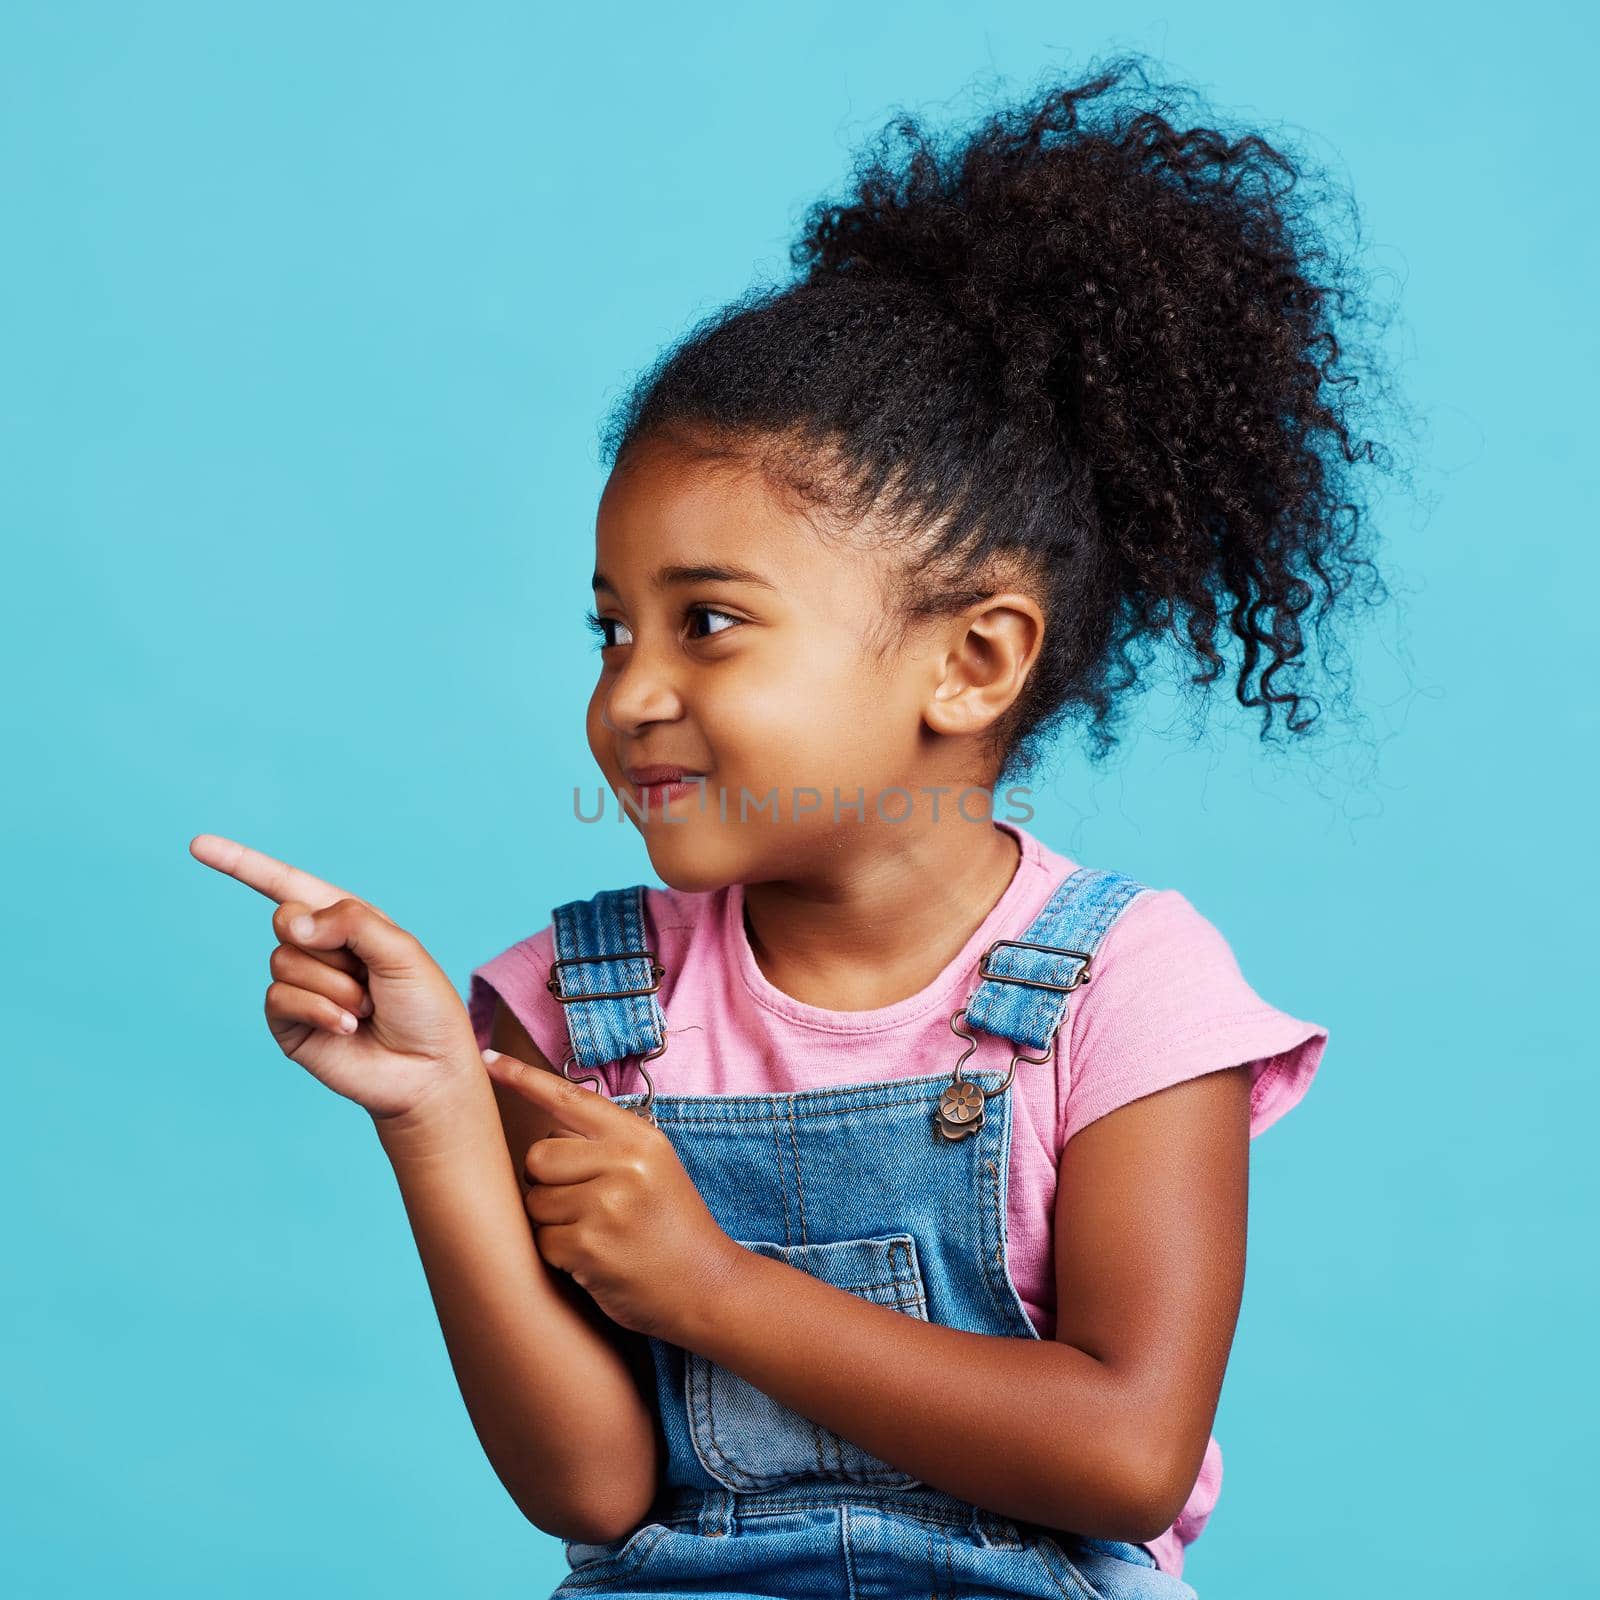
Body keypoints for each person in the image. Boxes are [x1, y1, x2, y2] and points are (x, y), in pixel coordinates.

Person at [193, 49, 1400, 1598]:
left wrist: (711, 1287)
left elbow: (1125, 1453)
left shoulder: (1129, 986)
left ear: (971, 663)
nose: (628, 695)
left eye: (707, 623)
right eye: (609, 629)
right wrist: (433, 1113)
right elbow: (599, 1487)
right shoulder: (578, 1004)